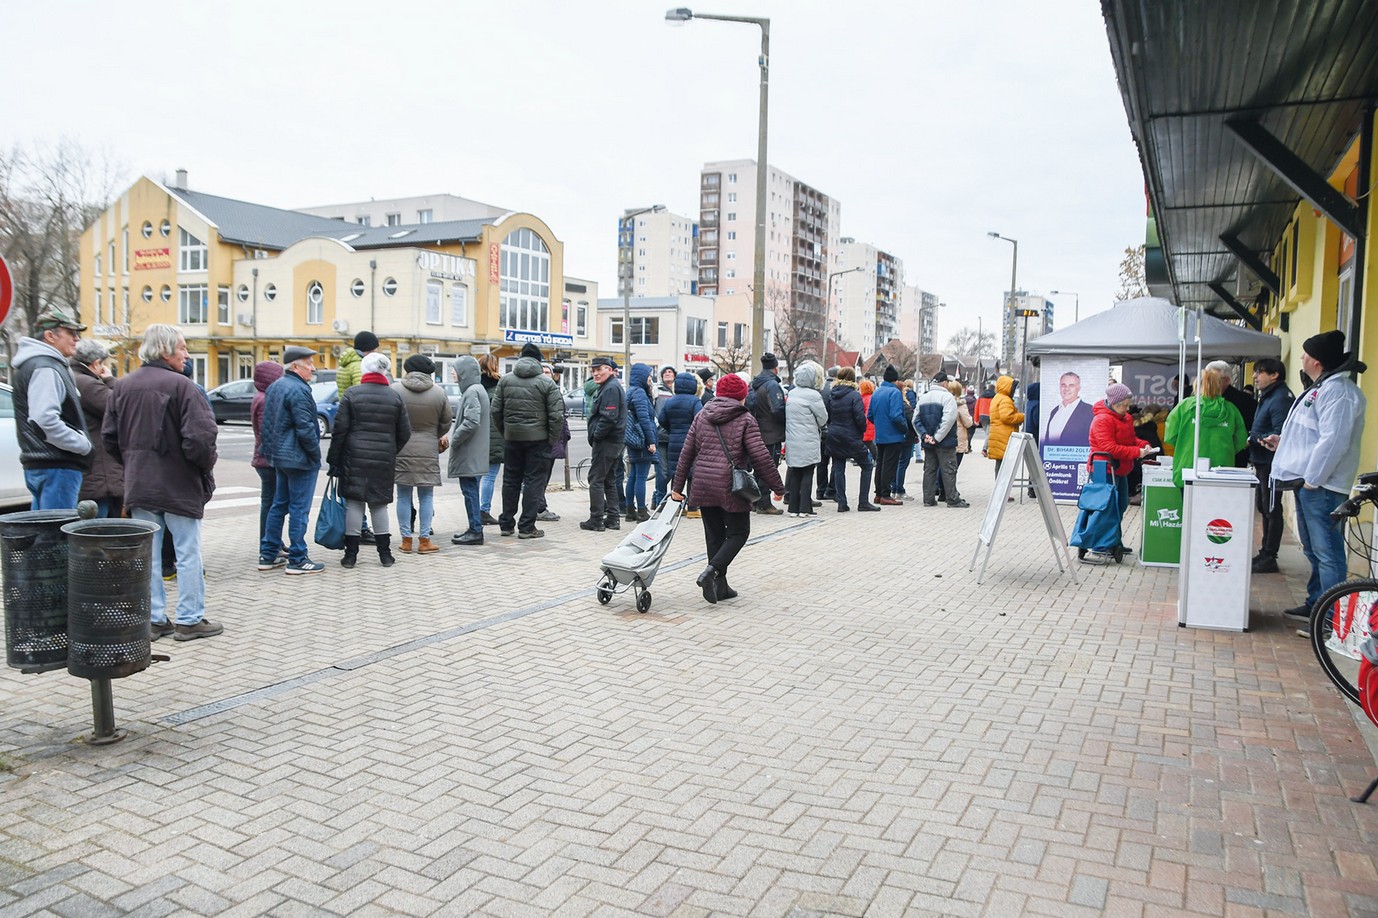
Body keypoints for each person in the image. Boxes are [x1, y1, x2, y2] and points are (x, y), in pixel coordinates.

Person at [102, 325, 220, 641]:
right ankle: (189, 619)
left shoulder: (122, 387)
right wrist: (202, 470)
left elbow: (109, 438)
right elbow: (201, 439)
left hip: (140, 483)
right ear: (166, 351)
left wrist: (133, 463)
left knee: (149, 555)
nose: (186, 354)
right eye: (182, 348)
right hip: (178, 482)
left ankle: (154, 619)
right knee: (187, 552)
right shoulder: (184, 387)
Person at [1266, 331, 1367, 622]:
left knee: (1327, 552)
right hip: (1309, 481)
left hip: (1321, 484)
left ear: (1318, 361)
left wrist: (1313, 478)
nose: (1301, 358)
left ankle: (1330, 619)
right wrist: (1282, 442)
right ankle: (1317, 603)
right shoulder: (1323, 387)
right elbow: (1310, 433)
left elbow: (1334, 441)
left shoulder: (1340, 392)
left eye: (1305, 354)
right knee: (1313, 548)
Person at [671, 372, 785, 604]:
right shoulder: (745, 419)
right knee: (739, 533)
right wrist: (778, 487)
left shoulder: (702, 415)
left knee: (714, 537)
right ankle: (710, 572)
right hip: (731, 485)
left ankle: (720, 588)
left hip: (703, 483)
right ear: (742, 396)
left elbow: (686, 452)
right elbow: (761, 457)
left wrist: (677, 486)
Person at [327, 351, 411, 567]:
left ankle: (350, 555)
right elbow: (405, 432)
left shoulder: (352, 394)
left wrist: (334, 459)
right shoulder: (394, 396)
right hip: (383, 458)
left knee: (354, 504)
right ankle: (385, 554)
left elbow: (339, 431)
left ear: (364, 370)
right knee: (379, 505)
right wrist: (391, 449)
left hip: (354, 456)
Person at [12, 307, 92, 509]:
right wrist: (82, 444)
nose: (76, 339)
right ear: (50, 336)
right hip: (57, 465)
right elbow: (44, 420)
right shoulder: (46, 366)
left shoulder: (37, 364)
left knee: (45, 532)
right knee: (56, 536)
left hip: (45, 464)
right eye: (70, 333)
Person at [258, 346, 325, 575]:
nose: (313, 369)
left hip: (279, 457)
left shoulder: (276, 387)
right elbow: (305, 427)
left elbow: (266, 425)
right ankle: (297, 557)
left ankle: (268, 554)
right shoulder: (299, 390)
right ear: (295, 366)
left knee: (279, 505)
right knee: (299, 509)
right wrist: (315, 455)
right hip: (298, 459)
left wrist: (270, 452)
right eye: (309, 364)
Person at [491, 342, 563, 539]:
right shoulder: (547, 383)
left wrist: (506, 431)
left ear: (521, 358)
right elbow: (557, 416)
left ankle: (506, 524)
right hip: (538, 440)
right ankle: (527, 527)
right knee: (533, 482)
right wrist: (552, 439)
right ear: (539, 361)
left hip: (512, 439)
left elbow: (495, 411)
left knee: (510, 480)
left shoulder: (505, 381)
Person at [1085, 383, 1154, 563]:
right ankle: (1101, 545)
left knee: (1121, 505)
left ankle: (1113, 540)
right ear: (1113, 403)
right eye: (1123, 405)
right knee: (1106, 508)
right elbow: (1109, 447)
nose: (1127, 408)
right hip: (1104, 469)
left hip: (1120, 468)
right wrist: (1136, 452)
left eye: (1128, 404)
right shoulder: (1102, 420)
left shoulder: (1126, 418)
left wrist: (1142, 445)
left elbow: (1131, 440)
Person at [392, 354, 453, 554]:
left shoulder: (395, 390)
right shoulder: (439, 393)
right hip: (428, 448)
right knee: (426, 496)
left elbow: (390, 417)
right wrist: (433, 434)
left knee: (403, 495)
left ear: (407, 370)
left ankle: (406, 540)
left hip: (402, 448)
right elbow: (446, 422)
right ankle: (425, 540)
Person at [1163, 367, 1248, 488]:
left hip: (1188, 467)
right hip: (1221, 469)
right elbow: (1240, 440)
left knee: (1189, 505)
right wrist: (1226, 449)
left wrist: (1185, 444)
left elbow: (1170, 436)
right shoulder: (1231, 410)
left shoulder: (1184, 406)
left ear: (1197, 384)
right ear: (1219, 386)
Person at [1247, 357, 1293, 574]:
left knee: (1272, 508)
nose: (1255, 376)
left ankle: (1269, 555)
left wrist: (1257, 439)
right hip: (1263, 462)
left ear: (1274, 375)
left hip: (1271, 463)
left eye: (1259, 372)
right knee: (1264, 507)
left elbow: (1280, 434)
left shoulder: (1280, 398)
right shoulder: (1269, 396)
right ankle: (1265, 552)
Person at [69, 339, 122, 518]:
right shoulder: (88, 383)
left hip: (89, 469)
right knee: (101, 529)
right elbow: (120, 406)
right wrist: (110, 379)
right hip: (99, 471)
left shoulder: (72, 376)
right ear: (96, 363)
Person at [338, 330, 380, 542]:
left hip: (349, 429)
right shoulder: (359, 367)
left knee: (352, 485)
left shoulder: (344, 364)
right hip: (362, 430)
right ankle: (361, 529)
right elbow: (362, 398)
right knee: (362, 486)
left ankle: (355, 528)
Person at [448, 356, 491, 546]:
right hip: (474, 452)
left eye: (455, 369)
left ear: (464, 372)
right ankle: (474, 528)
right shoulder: (476, 389)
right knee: (471, 490)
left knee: (470, 491)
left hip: (469, 452)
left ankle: (475, 530)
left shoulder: (472, 391)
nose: (452, 372)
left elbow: (471, 422)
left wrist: (455, 439)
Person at [581, 356, 626, 531]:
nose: (596, 373)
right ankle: (613, 518)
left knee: (596, 479)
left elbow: (609, 418)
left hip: (607, 441)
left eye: (599, 369)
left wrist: (597, 436)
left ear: (609, 369)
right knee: (609, 479)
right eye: (593, 370)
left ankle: (596, 519)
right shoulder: (610, 386)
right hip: (613, 441)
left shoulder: (611, 388)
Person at [827, 368, 880, 512]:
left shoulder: (832, 395)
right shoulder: (854, 395)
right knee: (867, 465)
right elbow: (859, 417)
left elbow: (828, 415)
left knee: (838, 468)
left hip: (834, 434)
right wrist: (861, 430)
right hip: (851, 435)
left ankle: (841, 502)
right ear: (852, 379)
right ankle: (863, 502)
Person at [915, 374, 968, 508]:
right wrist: (937, 437)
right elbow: (948, 420)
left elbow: (915, 419)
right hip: (945, 442)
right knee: (949, 469)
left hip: (928, 442)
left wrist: (925, 435)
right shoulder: (948, 398)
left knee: (929, 470)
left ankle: (928, 499)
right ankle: (952, 499)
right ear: (944, 383)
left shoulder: (923, 398)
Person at [250, 359, 285, 557]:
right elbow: (267, 431)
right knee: (271, 503)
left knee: (270, 502)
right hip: (267, 459)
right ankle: (269, 544)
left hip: (262, 457)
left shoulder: (261, 396)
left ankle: (274, 541)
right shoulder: (265, 399)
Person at [783, 361, 827, 517]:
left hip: (793, 440)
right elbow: (823, 418)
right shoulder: (814, 395)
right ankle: (804, 508)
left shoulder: (792, 393)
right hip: (809, 439)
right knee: (808, 473)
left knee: (795, 473)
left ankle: (793, 508)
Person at [746, 352, 787, 514]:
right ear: (775, 368)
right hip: (771, 433)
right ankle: (764, 503)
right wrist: (784, 423)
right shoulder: (772, 385)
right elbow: (778, 409)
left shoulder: (755, 383)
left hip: (757, 430)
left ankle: (754, 501)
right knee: (768, 467)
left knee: (758, 467)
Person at [657, 369, 702, 506]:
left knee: (676, 473)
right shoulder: (695, 401)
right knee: (692, 474)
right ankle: (692, 507)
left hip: (674, 440)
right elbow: (700, 419)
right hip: (691, 442)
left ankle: (674, 506)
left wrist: (673, 429)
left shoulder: (670, 401)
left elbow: (661, 419)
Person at [620, 362, 659, 522]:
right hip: (642, 439)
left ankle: (630, 510)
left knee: (633, 476)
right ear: (642, 377)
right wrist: (651, 441)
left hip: (633, 439)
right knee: (641, 476)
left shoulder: (631, 391)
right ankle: (642, 511)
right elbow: (644, 419)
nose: (650, 378)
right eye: (648, 375)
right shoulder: (640, 393)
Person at [867, 366, 909, 505]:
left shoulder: (877, 392)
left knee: (880, 465)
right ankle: (886, 494)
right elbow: (896, 416)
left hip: (880, 435)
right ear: (895, 380)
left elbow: (870, 415)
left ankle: (878, 494)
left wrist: (880, 424)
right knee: (889, 466)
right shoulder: (895, 393)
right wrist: (904, 428)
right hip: (893, 435)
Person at [1206, 360, 1256, 466]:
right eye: (1206, 379)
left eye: (1214, 379)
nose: (1208, 383)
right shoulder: (1197, 401)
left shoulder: (1245, 401)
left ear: (1227, 380)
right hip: (1204, 455)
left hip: (1234, 458)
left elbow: (1250, 431)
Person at [985, 376, 1024, 496]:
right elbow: (1007, 417)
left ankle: (1000, 491)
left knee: (1000, 465)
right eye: (1013, 387)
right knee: (1005, 467)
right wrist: (1022, 416)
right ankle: (1002, 493)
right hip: (1005, 436)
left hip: (998, 435)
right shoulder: (1005, 400)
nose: (1013, 390)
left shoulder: (997, 398)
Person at [477, 353, 503, 526]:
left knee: (477, 476)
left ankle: (473, 509)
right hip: (496, 436)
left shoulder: (474, 387)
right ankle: (484, 510)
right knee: (490, 476)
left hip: (477, 437)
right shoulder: (501, 386)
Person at [1043, 372, 1095, 446]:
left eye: (1071, 385)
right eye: (1063, 385)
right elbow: (1047, 441)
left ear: (1078, 388)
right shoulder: (1054, 411)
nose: (1066, 389)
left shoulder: (1089, 411)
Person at [893, 379, 920, 501]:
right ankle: (899, 489)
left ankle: (894, 488)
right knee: (903, 463)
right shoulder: (904, 405)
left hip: (895, 437)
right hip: (906, 437)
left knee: (895, 463)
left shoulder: (892, 403)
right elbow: (912, 420)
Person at [815, 366, 839, 503]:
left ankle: (820, 490)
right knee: (837, 461)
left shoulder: (820, 389)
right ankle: (831, 489)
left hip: (822, 429)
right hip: (835, 429)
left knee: (822, 462)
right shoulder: (836, 389)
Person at [947, 380, 976, 474]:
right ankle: (948, 487)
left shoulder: (944, 402)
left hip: (945, 437)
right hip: (958, 438)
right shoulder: (961, 405)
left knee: (944, 465)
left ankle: (939, 485)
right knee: (954, 466)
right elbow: (968, 423)